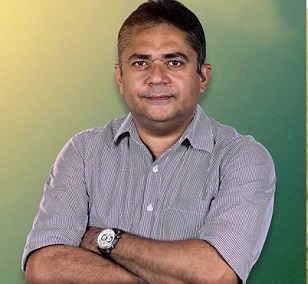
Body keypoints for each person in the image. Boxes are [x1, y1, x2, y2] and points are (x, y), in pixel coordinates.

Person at [21, 0, 276, 283]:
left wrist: (105, 239)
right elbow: (44, 269)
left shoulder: (243, 158)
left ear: (202, 76)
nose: (157, 77)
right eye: (141, 63)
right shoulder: (82, 153)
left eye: (174, 62)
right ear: (120, 77)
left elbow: (215, 275)